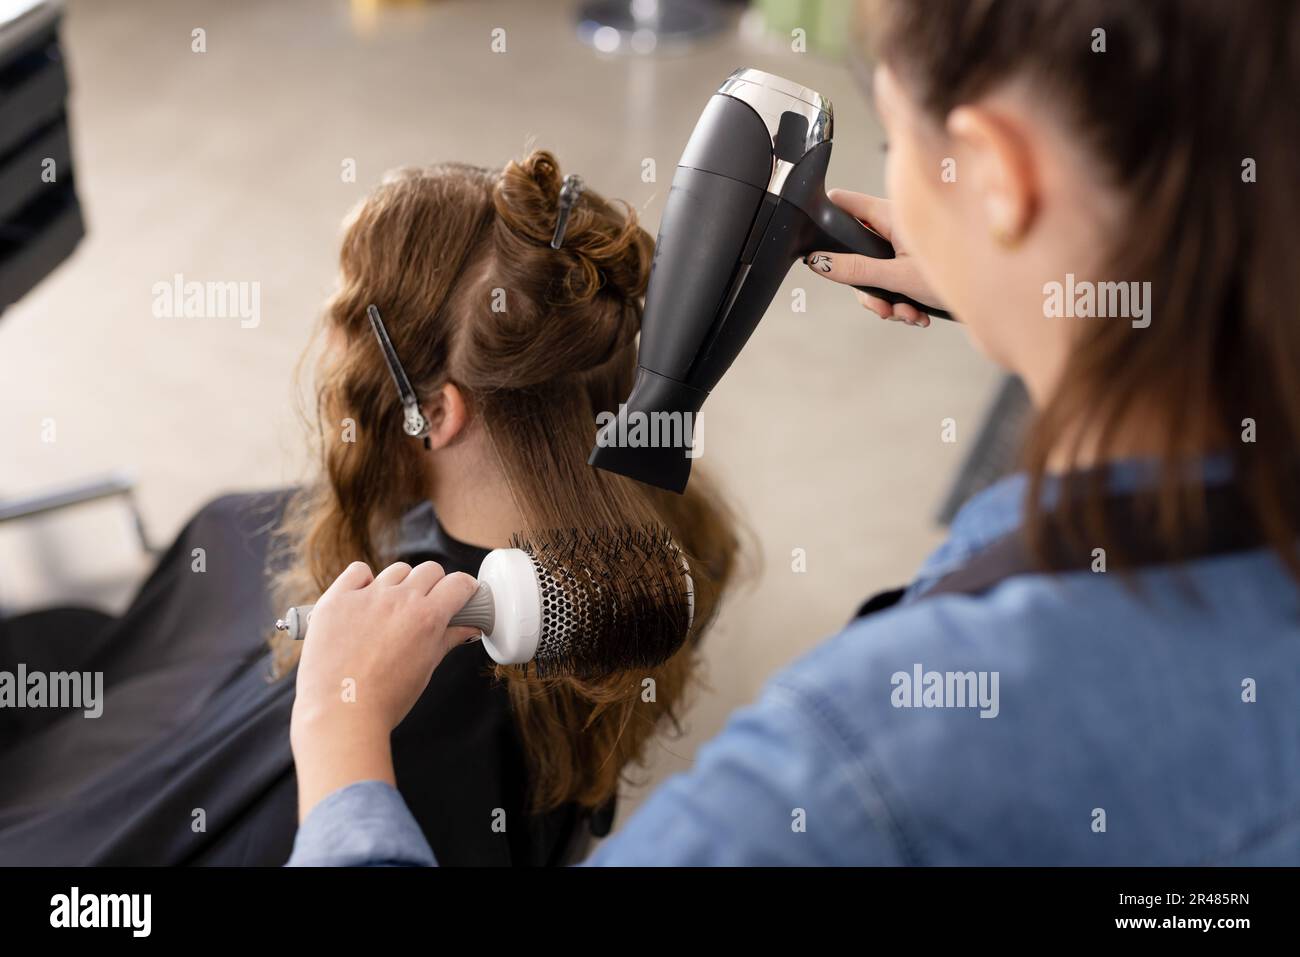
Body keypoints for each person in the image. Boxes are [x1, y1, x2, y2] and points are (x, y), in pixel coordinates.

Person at [286, 0, 1300, 866]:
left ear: (999, 175)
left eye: (898, 144)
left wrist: (338, 735)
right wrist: (1028, 284)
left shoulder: (856, 764)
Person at [0, 151, 739, 865]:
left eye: (353, 312)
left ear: (437, 413)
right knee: (228, 529)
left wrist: (333, 712)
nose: (330, 336)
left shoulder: (413, 732)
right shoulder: (656, 523)